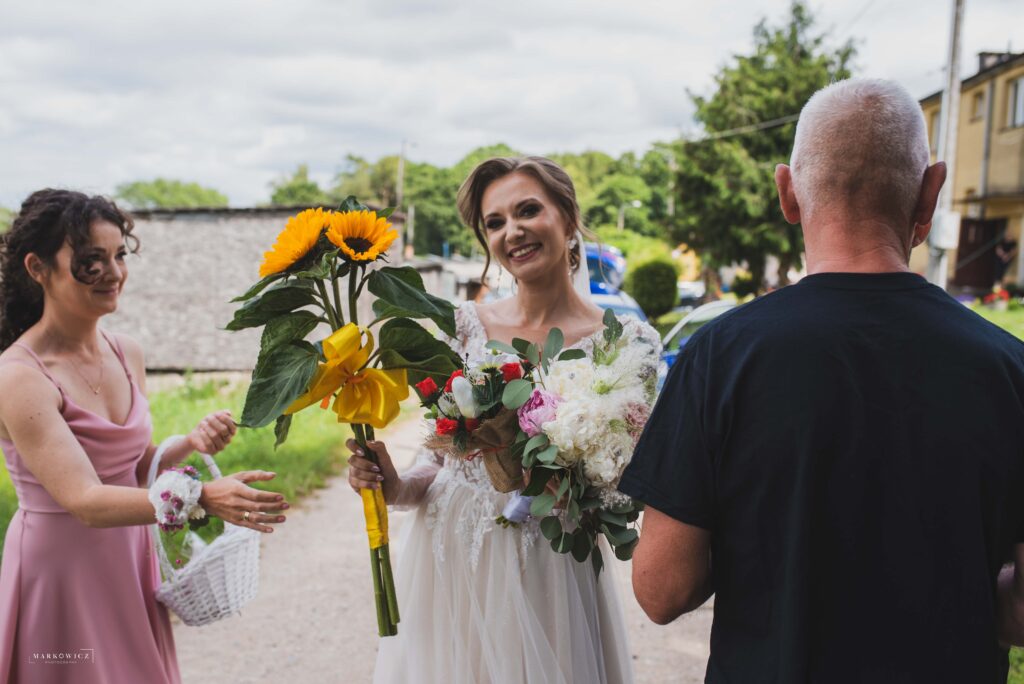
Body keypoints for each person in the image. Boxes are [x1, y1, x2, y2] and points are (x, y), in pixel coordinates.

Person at [619, 78, 1024, 683]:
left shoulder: (720, 357)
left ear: (788, 193)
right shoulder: (1009, 368)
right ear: (929, 195)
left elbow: (661, 589)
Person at [346, 157, 661, 683]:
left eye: (528, 210)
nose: (512, 231)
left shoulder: (627, 344)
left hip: (555, 568)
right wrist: (393, 484)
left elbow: (630, 488)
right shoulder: (463, 328)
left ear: (566, 215)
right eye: (495, 222)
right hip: (454, 558)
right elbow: (437, 464)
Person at [0, 190, 290, 684]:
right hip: (60, 571)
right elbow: (86, 499)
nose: (113, 273)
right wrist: (203, 499)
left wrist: (190, 444)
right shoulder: (19, 376)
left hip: (128, 555)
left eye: (119, 255)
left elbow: (132, 466)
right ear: (37, 267)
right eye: (92, 260)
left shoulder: (126, 351)